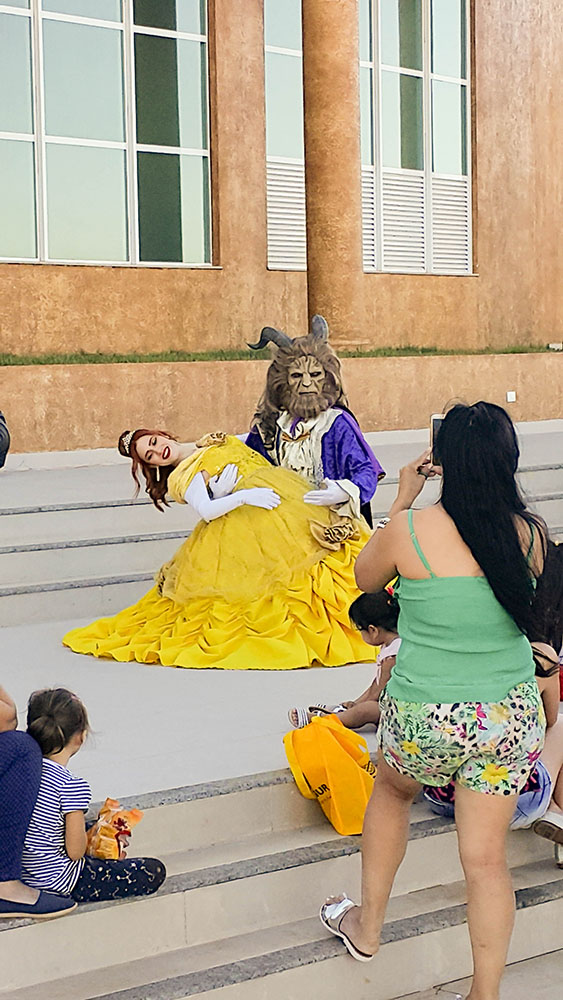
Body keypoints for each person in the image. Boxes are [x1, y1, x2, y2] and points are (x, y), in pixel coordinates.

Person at [320, 401, 547, 1000]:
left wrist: (402, 498)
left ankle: (368, 927)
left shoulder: (410, 530)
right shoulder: (531, 535)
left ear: (443, 461)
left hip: (427, 717)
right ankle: (484, 993)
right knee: (486, 859)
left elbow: (365, 580)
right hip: (507, 718)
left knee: (393, 793)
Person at [63, 432, 377, 671]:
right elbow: (207, 510)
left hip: (287, 499)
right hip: (250, 524)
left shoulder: (210, 440)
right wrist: (241, 496)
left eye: (155, 443)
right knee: (283, 587)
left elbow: (254, 441)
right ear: (153, 466)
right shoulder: (182, 474)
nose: (158, 451)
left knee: (329, 555)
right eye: (151, 455)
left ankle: (378, 612)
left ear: (162, 434)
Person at [425, 540, 563, 845]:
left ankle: (556, 811)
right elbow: (550, 721)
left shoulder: (444, 653)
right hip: (511, 799)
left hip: (440, 798)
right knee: (561, 727)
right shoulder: (540, 656)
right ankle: (556, 812)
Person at [21, 688, 166, 903]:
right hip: (60, 882)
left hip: (23, 877)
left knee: (90, 825)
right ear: (80, 737)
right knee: (153, 870)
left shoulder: (20, 773)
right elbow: (75, 852)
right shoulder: (71, 785)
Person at [246, 316, 385, 526]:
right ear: (283, 381)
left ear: (327, 378)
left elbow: (365, 470)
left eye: (315, 374)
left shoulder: (336, 423)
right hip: (281, 525)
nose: (306, 383)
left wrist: (344, 491)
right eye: (296, 376)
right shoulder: (271, 425)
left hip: (329, 525)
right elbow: (247, 464)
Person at [0, 685, 76, 919]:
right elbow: (6, 717)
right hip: (61, 878)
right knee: (20, 747)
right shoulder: (73, 786)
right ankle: (4, 886)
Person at [288, 589, 401, 730]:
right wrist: (355, 703)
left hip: (399, 711)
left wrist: (357, 707)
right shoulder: (392, 645)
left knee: (365, 710)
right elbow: (376, 684)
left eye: (360, 630)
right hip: (392, 700)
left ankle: (325, 719)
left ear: (373, 630)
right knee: (361, 706)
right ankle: (343, 711)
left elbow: (378, 692)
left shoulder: (392, 657)